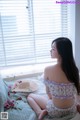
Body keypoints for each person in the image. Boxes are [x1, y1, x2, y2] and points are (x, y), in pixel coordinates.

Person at [27, 37, 80, 120]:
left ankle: (39, 112)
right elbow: (77, 91)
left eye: (53, 49)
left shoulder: (48, 69)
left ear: (61, 52)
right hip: (71, 110)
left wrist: (53, 97)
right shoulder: (74, 69)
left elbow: (48, 92)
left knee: (30, 96)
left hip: (56, 111)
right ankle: (76, 105)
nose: (50, 51)